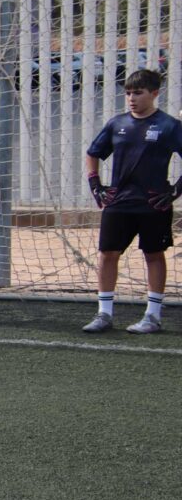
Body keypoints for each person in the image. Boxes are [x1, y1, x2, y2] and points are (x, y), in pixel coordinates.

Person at [83, 68, 182, 334]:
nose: (131, 98)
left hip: (153, 204)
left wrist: (175, 191)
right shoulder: (117, 124)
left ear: (154, 93)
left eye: (137, 92)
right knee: (107, 254)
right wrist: (96, 186)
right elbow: (93, 153)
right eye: (127, 93)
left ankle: (153, 315)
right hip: (119, 203)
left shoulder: (169, 126)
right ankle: (104, 314)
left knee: (153, 255)